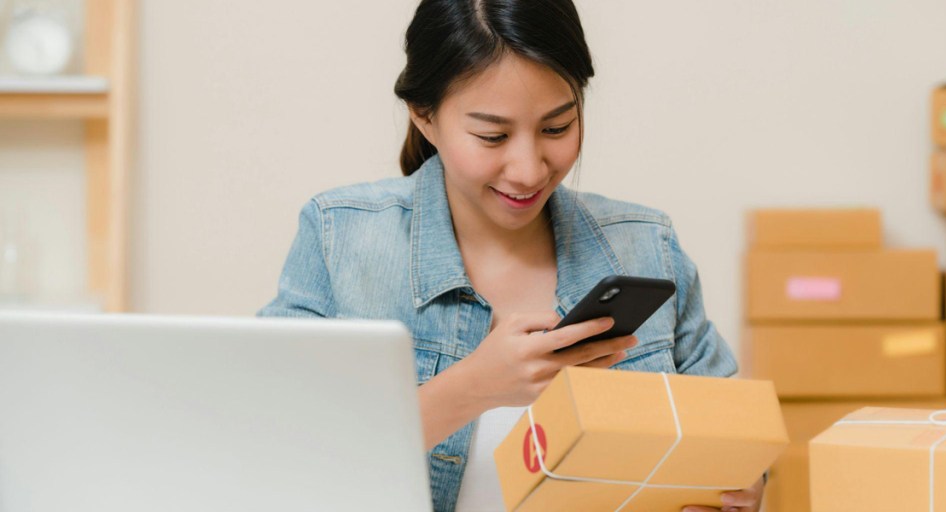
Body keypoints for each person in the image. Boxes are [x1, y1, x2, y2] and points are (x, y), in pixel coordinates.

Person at [259, 1, 761, 511]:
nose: (528, 169)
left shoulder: (646, 245)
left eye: (557, 128)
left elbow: (741, 453)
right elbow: (268, 455)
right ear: (424, 116)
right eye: (492, 136)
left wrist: (737, 488)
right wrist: (472, 389)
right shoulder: (339, 238)